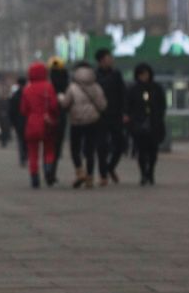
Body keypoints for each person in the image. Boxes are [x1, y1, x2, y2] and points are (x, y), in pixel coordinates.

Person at [59, 61, 106, 189]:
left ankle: (80, 172)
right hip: (92, 121)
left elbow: (65, 104)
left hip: (76, 121)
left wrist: (61, 99)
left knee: (75, 149)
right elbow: (102, 105)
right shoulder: (96, 87)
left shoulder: (72, 87)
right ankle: (90, 177)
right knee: (90, 150)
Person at [19, 61, 60, 188]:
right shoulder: (49, 87)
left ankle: (34, 178)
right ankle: (48, 169)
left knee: (33, 153)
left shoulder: (27, 89)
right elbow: (54, 105)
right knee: (49, 149)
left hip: (32, 123)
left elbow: (23, 109)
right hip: (47, 122)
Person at [126, 63, 166, 186]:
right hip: (139, 124)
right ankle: (143, 173)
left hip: (154, 123)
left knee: (153, 151)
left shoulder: (156, 88)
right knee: (141, 151)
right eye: (142, 74)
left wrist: (158, 116)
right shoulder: (133, 89)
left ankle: (151, 172)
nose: (144, 77)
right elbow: (128, 106)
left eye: (146, 74)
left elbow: (162, 105)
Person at [94, 48, 127, 186]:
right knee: (102, 146)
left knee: (120, 144)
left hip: (115, 114)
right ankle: (103, 175)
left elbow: (123, 94)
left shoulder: (116, 74)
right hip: (100, 115)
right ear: (102, 60)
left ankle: (110, 166)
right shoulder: (94, 76)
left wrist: (125, 112)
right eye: (108, 57)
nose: (111, 59)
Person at [48, 58, 70, 179]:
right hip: (60, 116)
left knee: (49, 145)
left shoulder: (47, 83)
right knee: (56, 145)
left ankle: (49, 169)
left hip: (48, 117)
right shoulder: (66, 82)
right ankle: (52, 170)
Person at [8, 77, 27, 166]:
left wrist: (12, 122)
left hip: (18, 122)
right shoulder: (29, 93)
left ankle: (22, 158)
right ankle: (26, 156)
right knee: (27, 140)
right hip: (28, 121)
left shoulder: (15, 95)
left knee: (20, 140)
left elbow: (11, 111)